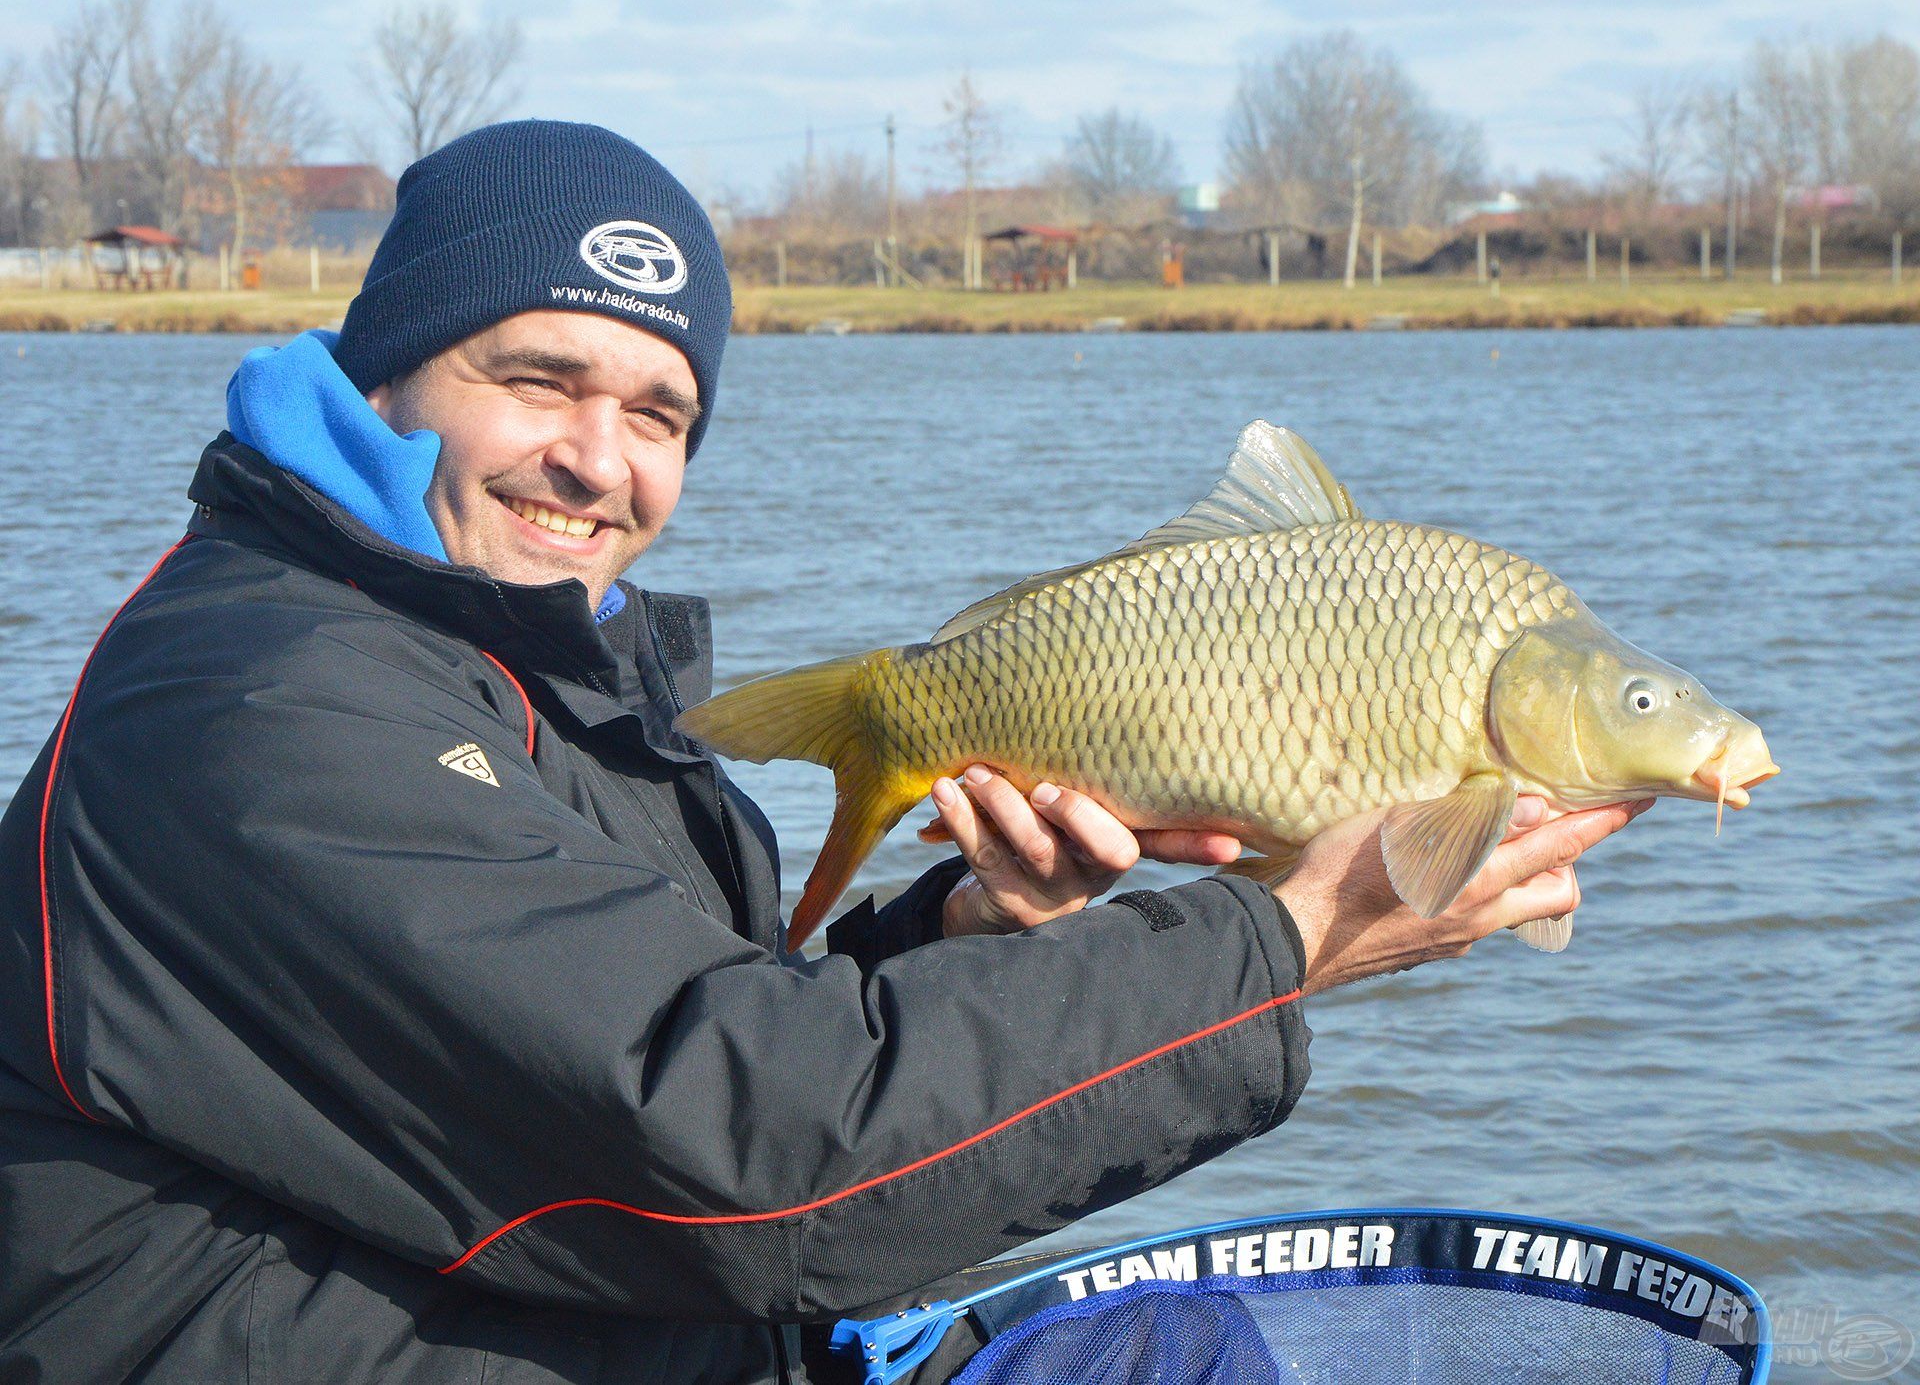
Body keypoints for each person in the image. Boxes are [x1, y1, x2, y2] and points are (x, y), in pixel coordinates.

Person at [0, 121, 1642, 1384]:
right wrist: (1288, 939)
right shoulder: (263, 707)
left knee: (1179, 1351)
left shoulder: (519, 677)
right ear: (386, 376)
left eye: (659, 413)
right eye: (535, 378)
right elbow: (759, 1155)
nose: (597, 459)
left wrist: (958, 931)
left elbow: (700, 1037)